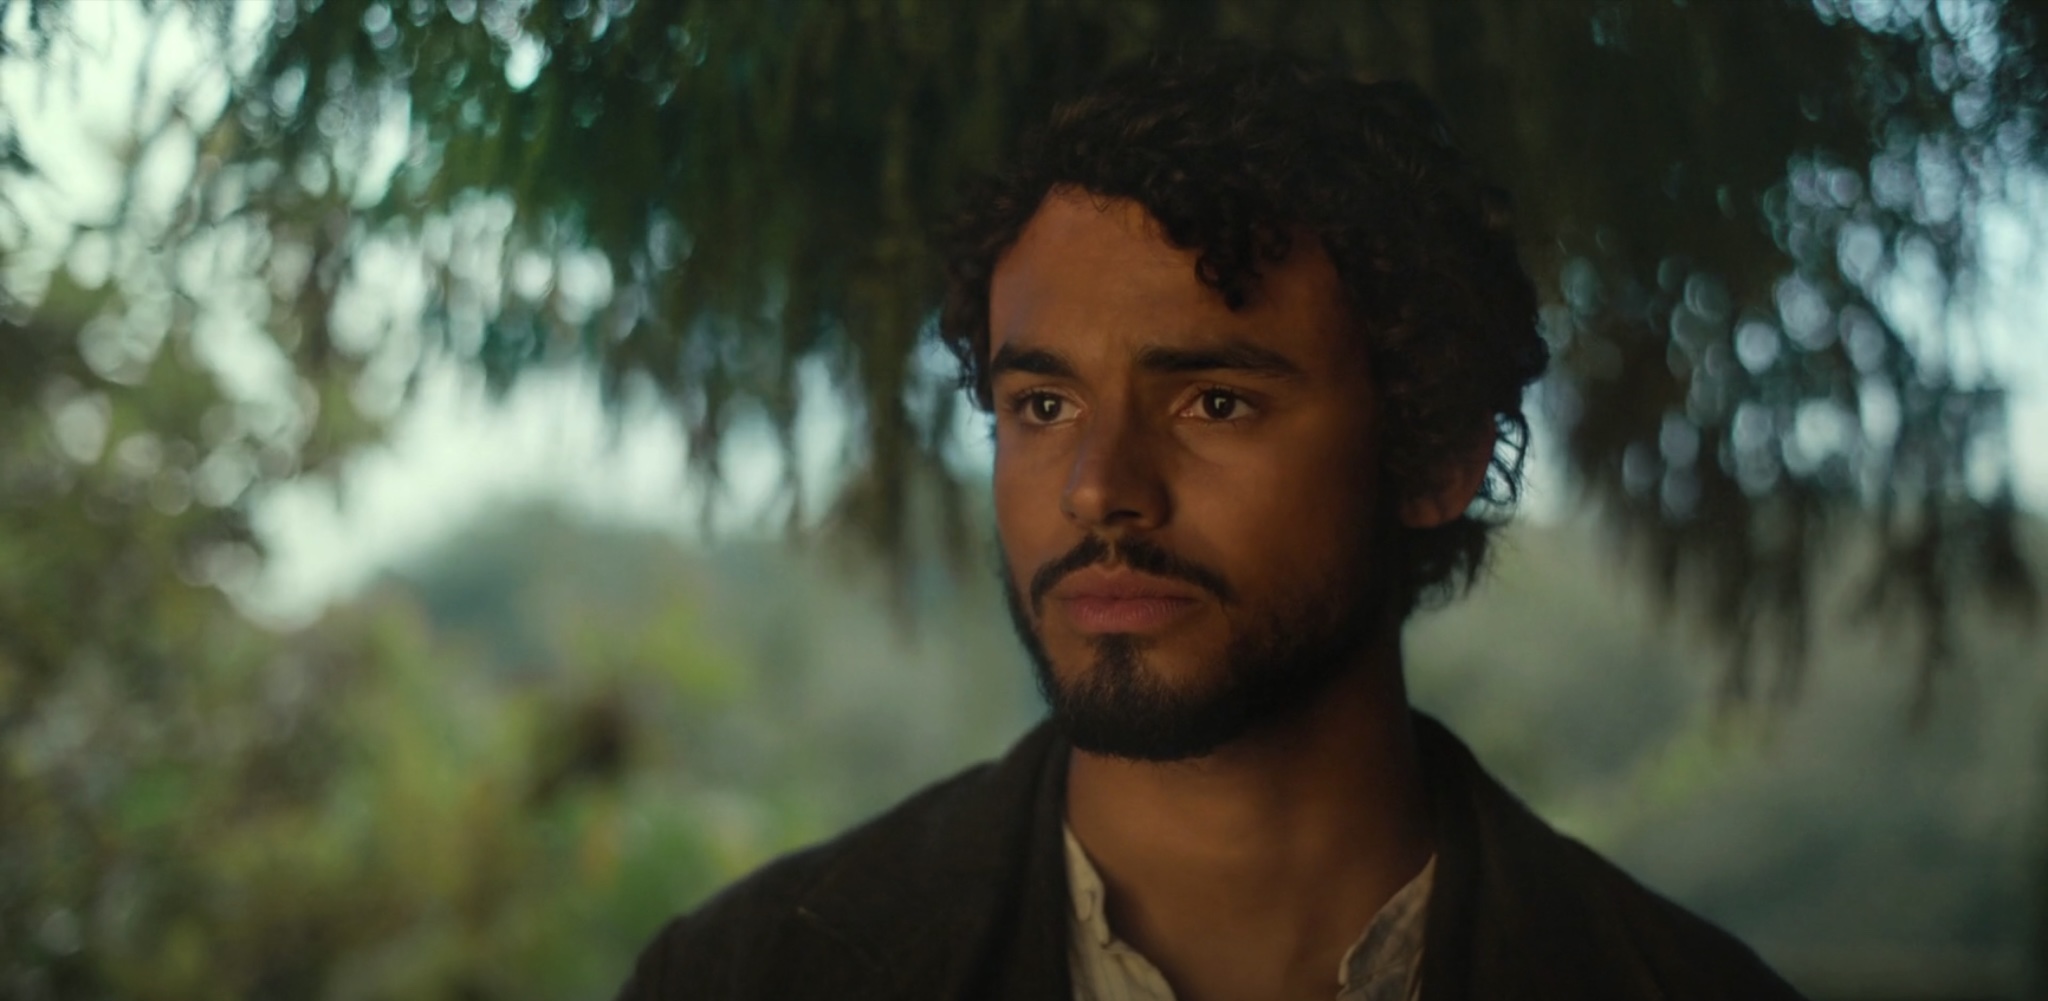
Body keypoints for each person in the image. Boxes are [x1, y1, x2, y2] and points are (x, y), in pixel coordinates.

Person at [614, 47, 1805, 1001]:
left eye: (1214, 402)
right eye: (1042, 405)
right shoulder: (752, 974)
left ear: (1437, 456)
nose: (1097, 488)